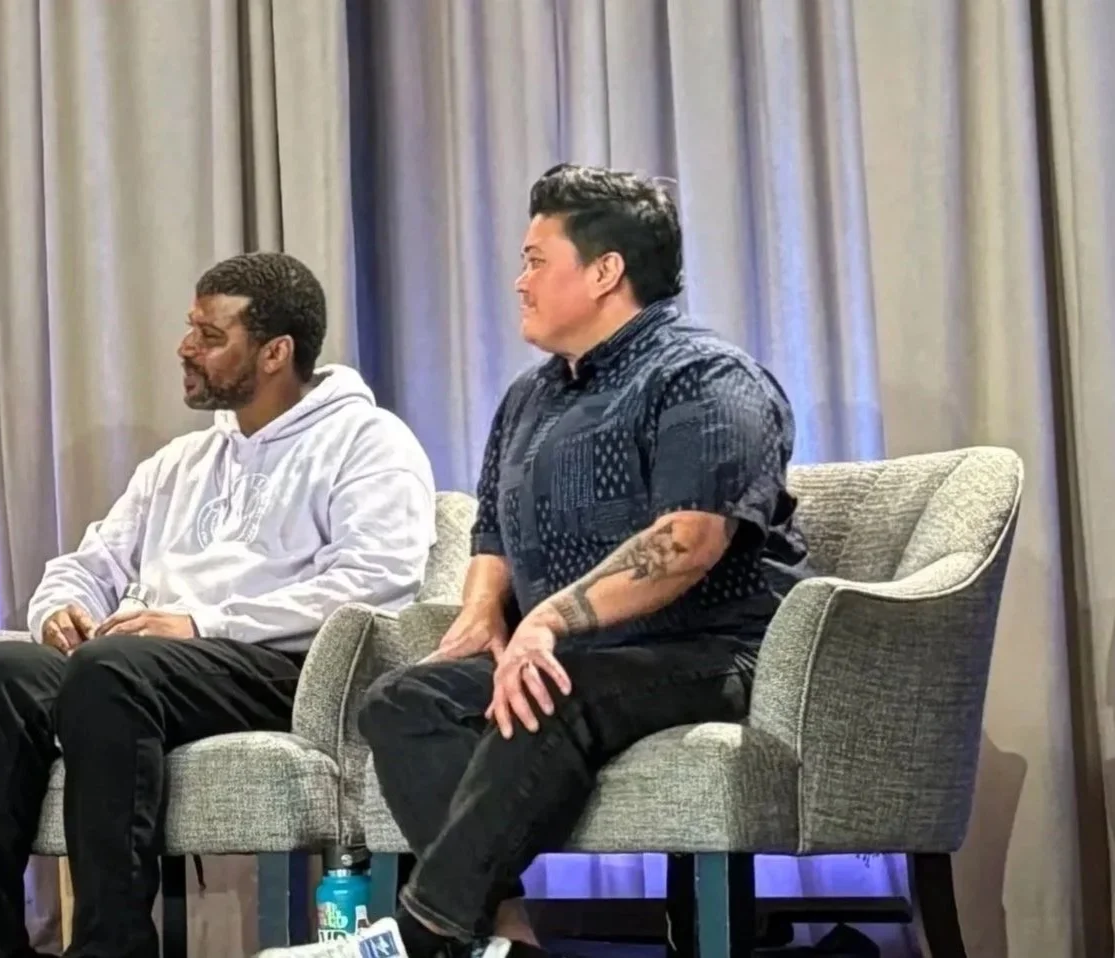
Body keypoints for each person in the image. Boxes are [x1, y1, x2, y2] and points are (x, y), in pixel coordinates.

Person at [262, 166, 810, 958]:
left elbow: (687, 542)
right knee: (403, 701)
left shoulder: (705, 378)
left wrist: (548, 619)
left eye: (534, 260)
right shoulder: (530, 396)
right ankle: (505, 939)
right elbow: (492, 526)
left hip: (712, 648)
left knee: (551, 692)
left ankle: (422, 936)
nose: (518, 282)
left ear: (604, 271)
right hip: (579, 652)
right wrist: (482, 610)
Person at [0, 251, 438, 958]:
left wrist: (201, 624)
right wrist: (61, 606)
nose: (185, 347)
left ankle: (112, 949)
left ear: (274, 353)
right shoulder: (181, 462)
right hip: (151, 667)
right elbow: (89, 563)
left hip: (283, 670)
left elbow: (377, 580)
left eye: (209, 335)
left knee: (113, 669)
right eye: (190, 328)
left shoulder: (367, 442)